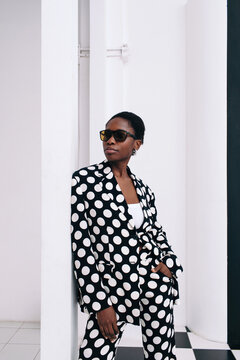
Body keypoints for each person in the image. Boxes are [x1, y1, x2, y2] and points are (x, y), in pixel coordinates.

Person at [71, 111, 183, 360]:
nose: (110, 141)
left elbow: (154, 231)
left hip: (153, 282)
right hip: (111, 288)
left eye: (119, 136)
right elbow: (81, 246)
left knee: (162, 355)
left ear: (136, 144)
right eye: (106, 135)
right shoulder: (84, 182)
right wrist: (99, 303)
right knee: (94, 355)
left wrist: (169, 262)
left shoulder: (143, 189)